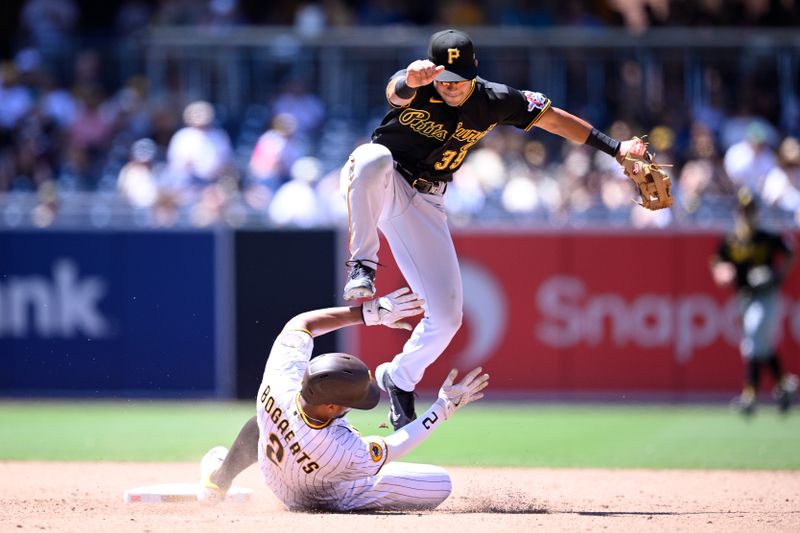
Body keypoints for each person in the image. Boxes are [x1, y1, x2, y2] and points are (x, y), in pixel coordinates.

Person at [340, 28, 655, 429]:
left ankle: (399, 378)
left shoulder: (495, 99)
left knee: (448, 317)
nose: (451, 87)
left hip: (425, 200)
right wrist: (408, 80)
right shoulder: (419, 82)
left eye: (459, 80)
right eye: (445, 79)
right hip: (381, 181)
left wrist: (614, 148)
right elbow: (396, 92)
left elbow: (554, 121)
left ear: (474, 72)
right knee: (371, 158)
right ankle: (362, 267)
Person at [197, 287, 489, 511]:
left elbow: (302, 323)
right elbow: (396, 444)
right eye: (353, 401)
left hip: (273, 473)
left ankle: (218, 479)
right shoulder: (339, 449)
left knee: (265, 418)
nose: (357, 404)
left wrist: (369, 313)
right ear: (331, 406)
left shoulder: (280, 380)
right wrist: (443, 407)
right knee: (440, 483)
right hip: (322, 497)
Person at [710, 188, 798, 415]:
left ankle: (749, 395)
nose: (746, 215)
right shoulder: (731, 240)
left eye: (750, 210)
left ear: (756, 212)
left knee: (752, 343)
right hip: (744, 297)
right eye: (743, 210)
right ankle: (783, 384)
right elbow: (717, 262)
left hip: (766, 296)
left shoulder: (765, 237)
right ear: (737, 212)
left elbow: (790, 249)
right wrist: (722, 271)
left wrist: (778, 276)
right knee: (761, 345)